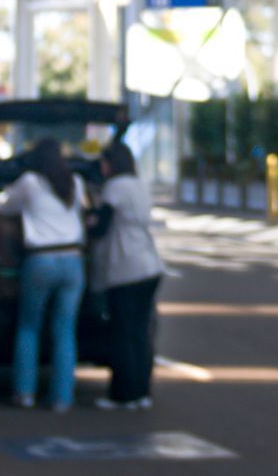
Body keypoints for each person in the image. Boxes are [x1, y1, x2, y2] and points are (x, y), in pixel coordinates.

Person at [0, 138, 86, 411]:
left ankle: (25, 393)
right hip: (73, 260)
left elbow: (4, 207)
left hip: (41, 260)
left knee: (29, 327)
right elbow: (83, 210)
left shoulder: (29, 182)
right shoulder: (75, 182)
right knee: (65, 330)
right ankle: (63, 398)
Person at [87, 140, 164, 410]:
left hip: (126, 268)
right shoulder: (139, 185)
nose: (102, 168)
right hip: (150, 266)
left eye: (104, 163)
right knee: (141, 333)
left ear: (112, 163)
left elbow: (100, 228)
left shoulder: (115, 187)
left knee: (122, 333)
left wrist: (90, 221)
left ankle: (121, 394)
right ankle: (142, 392)